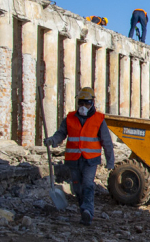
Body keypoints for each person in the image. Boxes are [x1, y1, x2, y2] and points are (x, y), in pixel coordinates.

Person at [44, 87, 115, 225]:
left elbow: (107, 141)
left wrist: (110, 161)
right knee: (77, 187)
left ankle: (88, 211)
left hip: (90, 160)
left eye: (86, 103)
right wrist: (52, 140)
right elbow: (61, 133)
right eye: (81, 103)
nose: (83, 106)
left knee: (88, 184)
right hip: (73, 160)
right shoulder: (70, 118)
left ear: (92, 103)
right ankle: (84, 211)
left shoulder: (99, 119)